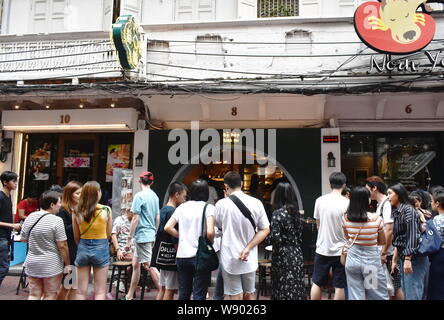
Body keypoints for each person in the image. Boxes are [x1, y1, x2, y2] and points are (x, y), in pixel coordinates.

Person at [215, 171, 270, 300]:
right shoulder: (256, 203)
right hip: (249, 257)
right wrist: (248, 248)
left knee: (235, 295)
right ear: (241, 183)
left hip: (230, 257)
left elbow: (217, 229)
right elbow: (265, 230)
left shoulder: (221, 205)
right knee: (249, 294)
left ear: (226, 186)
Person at [165, 179, 215, 300]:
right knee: (199, 294)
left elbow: (168, 227)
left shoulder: (182, 207)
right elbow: (210, 231)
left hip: (182, 256)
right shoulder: (208, 208)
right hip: (199, 257)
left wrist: (180, 235)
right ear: (206, 193)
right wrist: (209, 243)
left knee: (184, 293)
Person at [20, 191, 69, 300]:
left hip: (32, 262)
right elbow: (62, 245)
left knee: (33, 294)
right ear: (52, 205)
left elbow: (23, 239)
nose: (60, 206)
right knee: (50, 294)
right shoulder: (57, 220)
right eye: (59, 203)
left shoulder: (30, 217)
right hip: (52, 264)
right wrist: (67, 263)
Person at [342, 187, 388, 300]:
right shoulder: (375, 219)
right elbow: (382, 241)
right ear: (366, 200)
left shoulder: (345, 218)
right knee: (375, 295)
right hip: (370, 262)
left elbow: (348, 238)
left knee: (356, 295)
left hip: (352, 261)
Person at [310, 172, 349, 300]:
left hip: (322, 247)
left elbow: (318, 224)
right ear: (344, 185)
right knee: (339, 285)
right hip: (341, 250)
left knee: (317, 283)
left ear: (330, 184)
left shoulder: (320, 201)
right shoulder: (347, 203)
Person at [365, 176, 404, 300]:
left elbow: (389, 230)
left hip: (388, 252)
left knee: (394, 287)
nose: (366, 192)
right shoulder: (381, 205)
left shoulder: (386, 204)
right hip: (384, 252)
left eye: (367, 189)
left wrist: (384, 251)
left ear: (374, 188)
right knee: (389, 287)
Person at [123, 171, 160, 300]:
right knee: (136, 264)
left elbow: (135, 219)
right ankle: (129, 295)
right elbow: (157, 217)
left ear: (139, 181)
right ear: (152, 182)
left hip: (142, 235)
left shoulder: (139, 196)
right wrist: (155, 233)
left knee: (150, 266)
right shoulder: (155, 196)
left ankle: (165, 293)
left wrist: (128, 239)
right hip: (149, 234)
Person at [72, 181, 113, 300]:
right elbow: (108, 234)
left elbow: (76, 236)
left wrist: (83, 245)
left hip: (83, 246)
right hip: (101, 246)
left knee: (80, 292)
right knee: (100, 292)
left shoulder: (76, 211)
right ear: (98, 194)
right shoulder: (106, 210)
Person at [388, 183, 428, 300]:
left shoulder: (408, 211)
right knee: (407, 291)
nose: (388, 196)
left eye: (390, 193)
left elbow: (413, 235)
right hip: (404, 256)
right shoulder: (399, 210)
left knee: (412, 292)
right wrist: (395, 259)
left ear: (399, 194)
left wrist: (407, 259)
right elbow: (400, 238)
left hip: (413, 257)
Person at [270, 182, 305, 300]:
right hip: (296, 252)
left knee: (282, 286)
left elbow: (275, 237)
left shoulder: (277, 214)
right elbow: (300, 237)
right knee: (296, 285)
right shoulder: (297, 213)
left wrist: (267, 240)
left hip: (282, 254)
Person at [155, 181, 188, 300]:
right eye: (184, 196)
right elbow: (174, 239)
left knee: (163, 288)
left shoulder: (162, 210)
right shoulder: (174, 212)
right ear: (177, 194)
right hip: (171, 257)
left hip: (162, 255)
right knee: (170, 290)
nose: (184, 200)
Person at [56, 181, 82, 300]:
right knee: (68, 284)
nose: (80, 196)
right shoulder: (62, 210)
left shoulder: (75, 209)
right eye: (77, 193)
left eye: (81, 193)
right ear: (69, 194)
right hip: (69, 251)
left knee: (74, 285)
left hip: (77, 250)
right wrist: (77, 220)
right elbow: (63, 231)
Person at [0, 171, 20, 288]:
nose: (16, 183)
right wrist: (12, 225)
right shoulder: (1, 197)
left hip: (6, 237)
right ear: (5, 182)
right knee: (3, 267)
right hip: (1, 237)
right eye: (14, 181)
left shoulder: (9, 196)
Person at [428, 188, 444, 300]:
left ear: (437, 203)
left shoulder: (436, 220)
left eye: (432, 201)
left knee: (437, 285)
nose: (431, 204)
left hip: (439, 254)